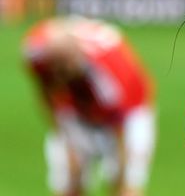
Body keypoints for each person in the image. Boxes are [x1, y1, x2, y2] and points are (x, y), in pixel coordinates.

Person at [23, 16, 155, 196]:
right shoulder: (38, 54)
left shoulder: (108, 82)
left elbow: (120, 135)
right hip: (77, 109)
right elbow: (46, 93)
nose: (61, 76)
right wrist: (67, 142)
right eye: (57, 70)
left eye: (66, 68)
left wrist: (122, 175)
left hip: (130, 111)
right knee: (70, 182)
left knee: (125, 186)